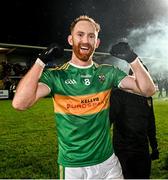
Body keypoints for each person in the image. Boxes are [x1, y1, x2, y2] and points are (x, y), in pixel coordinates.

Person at [12, 15, 156, 179]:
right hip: (74, 167)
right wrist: (41, 61)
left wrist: (133, 59)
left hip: (108, 163)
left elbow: (148, 90)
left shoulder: (107, 73)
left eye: (91, 36)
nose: (85, 40)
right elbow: (20, 103)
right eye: (80, 35)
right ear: (70, 39)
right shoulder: (56, 76)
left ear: (97, 42)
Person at [110, 67, 159, 179]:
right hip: (123, 150)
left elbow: (150, 123)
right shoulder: (118, 94)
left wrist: (154, 146)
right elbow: (107, 122)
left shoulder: (147, 97)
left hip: (142, 149)